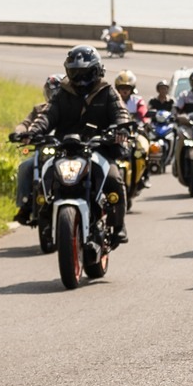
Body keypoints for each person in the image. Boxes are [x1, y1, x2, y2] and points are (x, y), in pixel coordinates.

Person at [46, 45, 130, 242]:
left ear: (97, 71)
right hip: (66, 149)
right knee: (44, 176)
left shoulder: (107, 91)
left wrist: (122, 128)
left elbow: (121, 112)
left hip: (98, 148)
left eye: (85, 73)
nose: (80, 78)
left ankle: (118, 224)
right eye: (75, 72)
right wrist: (31, 132)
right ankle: (44, 219)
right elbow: (47, 115)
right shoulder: (62, 93)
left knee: (113, 178)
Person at [10, 75, 63, 224]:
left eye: (58, 93)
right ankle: (24, 205)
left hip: (64, 152)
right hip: (43, 151)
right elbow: (25, 124)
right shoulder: (39, 109)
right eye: (52, 92)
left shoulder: (70, 110)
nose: (54, 96)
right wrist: (20, 133)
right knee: (25, 167)